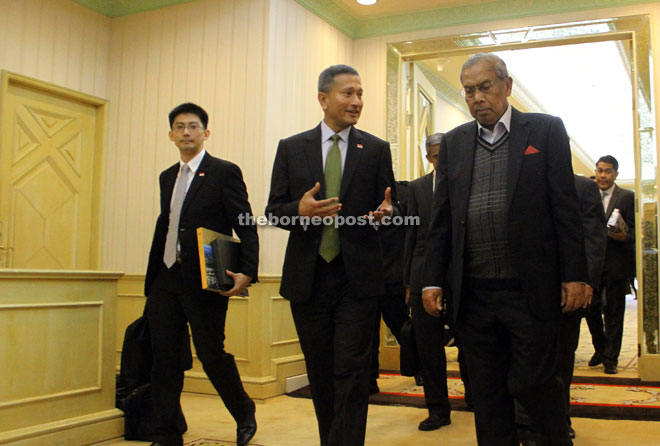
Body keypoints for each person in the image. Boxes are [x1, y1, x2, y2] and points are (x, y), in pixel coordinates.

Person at [421, 53, 587, 446]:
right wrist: (431, 279)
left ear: (507, 87)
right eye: (468, 90)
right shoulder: (456, 143)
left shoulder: (544, 131)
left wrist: (575, 274)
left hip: (529, 290)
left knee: (534, 382)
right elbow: (441, 218)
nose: (477, 97)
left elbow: (565, 208)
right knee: (487, 391)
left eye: (485, 87)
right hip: (474, 294)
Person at [265, 64, 397, 446]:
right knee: (321, 373)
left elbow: (391, 207)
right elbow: (273, 210)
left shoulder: (375, 149)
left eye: (360, 94)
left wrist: (387, 214)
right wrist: (299, 212)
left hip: (357, 278)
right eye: (348, 93)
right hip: (309, 279)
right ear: (323, 99)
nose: (356, 102)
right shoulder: (291, 148)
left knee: (353, 371)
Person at [144, 103, 259, 446]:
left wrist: (248, 271)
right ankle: (166, 433)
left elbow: (245, 224)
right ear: (171, 135)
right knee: (163, 357)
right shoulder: (168, 176)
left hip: (205, 279)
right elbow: (169, 224)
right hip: (165, 277)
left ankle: (244, 411)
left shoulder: (224, 172)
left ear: (205, 133)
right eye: (179, 127)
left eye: (193, 127)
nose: (186, 133)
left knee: (211, 353)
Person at [516, 174, 607, 443]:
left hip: (567, 291)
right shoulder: (523, 182)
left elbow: (593, 238)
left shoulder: (583, 187)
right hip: (524, 290)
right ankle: (523, 420)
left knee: (561, 359)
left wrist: (585, 281)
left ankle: (559, 418)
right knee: (523, 356)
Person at [402, 133, 452, 430]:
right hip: (423, 277)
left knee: (474, 347)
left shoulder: (466, 181)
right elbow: (411, 236)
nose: (439, 160)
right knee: (429, 349)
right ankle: (437, 410)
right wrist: (409, 281)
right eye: (434, 156)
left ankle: (477, 398)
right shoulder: (418, 188)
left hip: (462, 277)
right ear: (428, 158)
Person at [586, 155, 635, 374]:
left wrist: (624, 237)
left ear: (616, 174)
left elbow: (635, 232)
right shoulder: (587, 193)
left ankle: (610, 359)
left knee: (615, 312)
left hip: (616, 263)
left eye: (607, 171)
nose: (602, 175)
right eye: (599, 170)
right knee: (589, 309)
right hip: (591, 264)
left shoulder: (627, 197)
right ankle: (600, 347)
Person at [370, 180, 411, 395]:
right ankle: (369, 380)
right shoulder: (358, 192)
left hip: (394, 276)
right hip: (365, 276)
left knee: (400, 325)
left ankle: (417, 367)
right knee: (365, 333)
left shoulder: (404, 192)